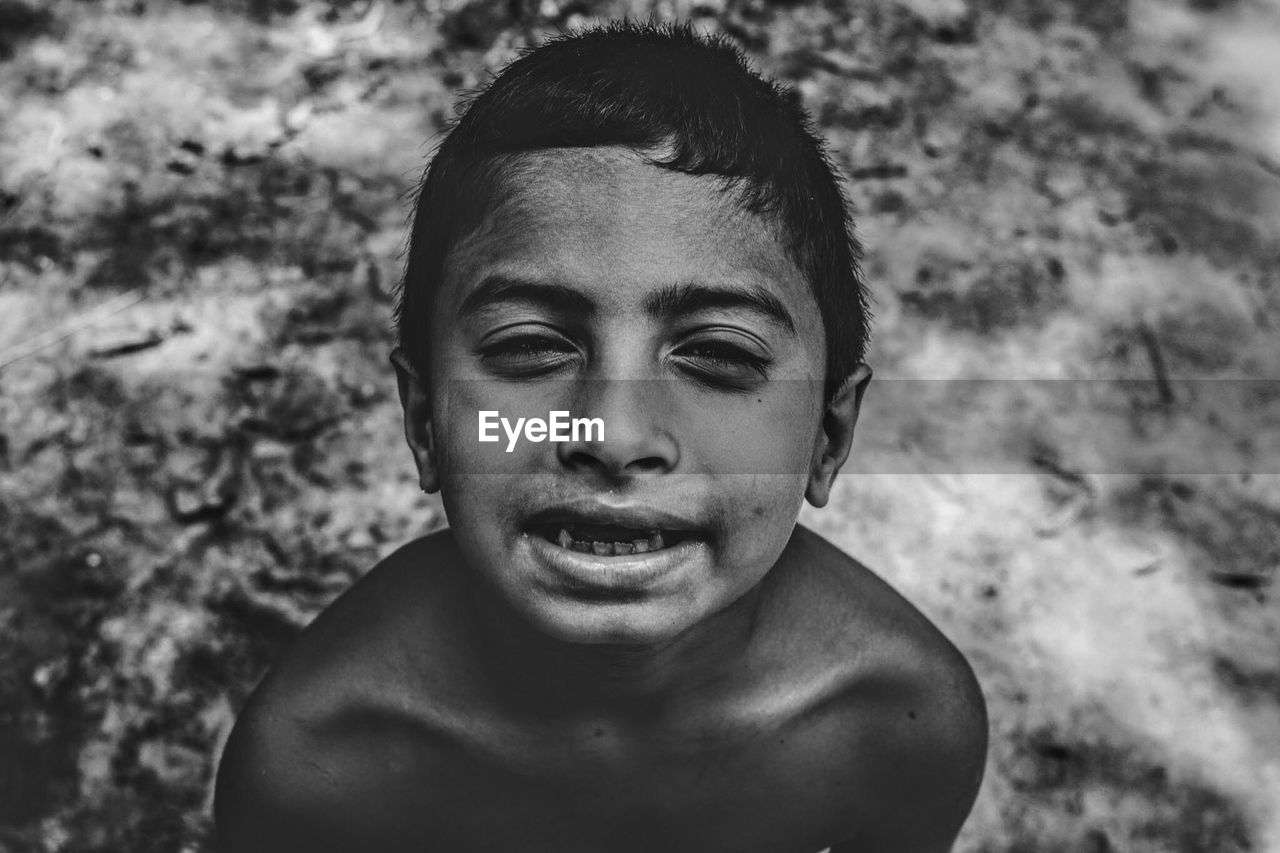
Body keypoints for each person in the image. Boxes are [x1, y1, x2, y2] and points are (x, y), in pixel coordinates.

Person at [213, 21, 987, 853]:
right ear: (423, 418)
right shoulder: (320, 756)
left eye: (719, 355)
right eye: (528, 348)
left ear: (829, 437)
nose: (614, 435)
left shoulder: (898, 719)